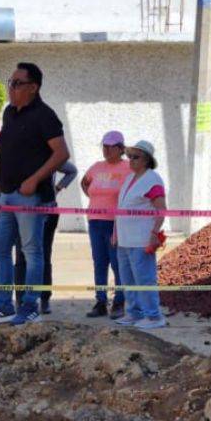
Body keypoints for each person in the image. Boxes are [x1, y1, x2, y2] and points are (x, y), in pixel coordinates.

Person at [0, 62, 69, 325]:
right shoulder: (9, 113)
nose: (11, 88)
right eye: (11, 82)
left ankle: (30, 306)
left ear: (33, 87)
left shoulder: (44, 115)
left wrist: (34, 179)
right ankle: (4, 305)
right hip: (6, 193)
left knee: (31, 250)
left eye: (17, 83)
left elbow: (61, 154)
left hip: (30, 195)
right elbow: (3, 145)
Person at [112, 139, 168, 330]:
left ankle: (154, 316)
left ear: (147, 160)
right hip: (125, 239)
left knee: (144, 279)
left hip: (141, 238)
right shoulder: (130, 178)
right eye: (129, 156)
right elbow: (121, 208)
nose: (131, 160)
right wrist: (115, 232)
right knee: (127, 279)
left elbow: (161, 209)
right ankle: (134, 312)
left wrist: (154, 234)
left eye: (136, 157)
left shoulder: (152, 179)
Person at [80, 130, 133, 318]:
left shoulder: (128, 167)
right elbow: (84, 183)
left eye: (111, 147)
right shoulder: (96, 167)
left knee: (117, 263)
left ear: (121, 149)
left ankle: (119, 301)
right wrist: (96, 200)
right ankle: (100, 302)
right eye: (104, 146)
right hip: (95, 222)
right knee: (99, 262)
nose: (107, 150)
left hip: (116, 223)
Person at [14, 158, 77, 315]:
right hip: (22, 211)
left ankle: (44, 298)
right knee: (21, 256)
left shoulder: (51, 156)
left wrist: (57, 188)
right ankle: (21, 299)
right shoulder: (17, 154)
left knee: (43, 255)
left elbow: (72, 171)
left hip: (47, 211)